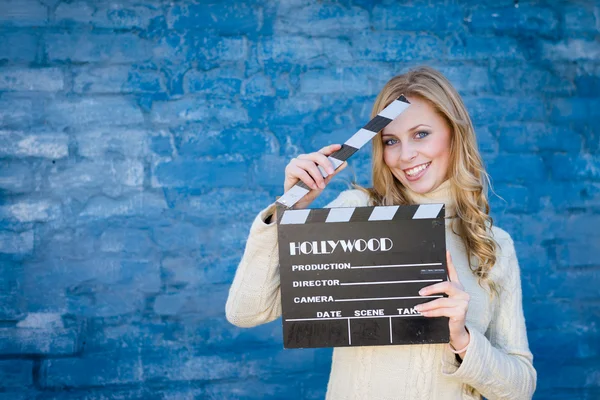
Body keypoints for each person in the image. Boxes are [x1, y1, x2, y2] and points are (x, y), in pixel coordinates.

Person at [225, 66, 536, 400]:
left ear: (453, 132)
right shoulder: (355, 213)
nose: (405, 156)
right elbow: (246, 312)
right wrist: (289, 210)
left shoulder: (493, 245)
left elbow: (519, 389)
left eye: (421, 134)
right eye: (391, 141)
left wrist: (462, 338)